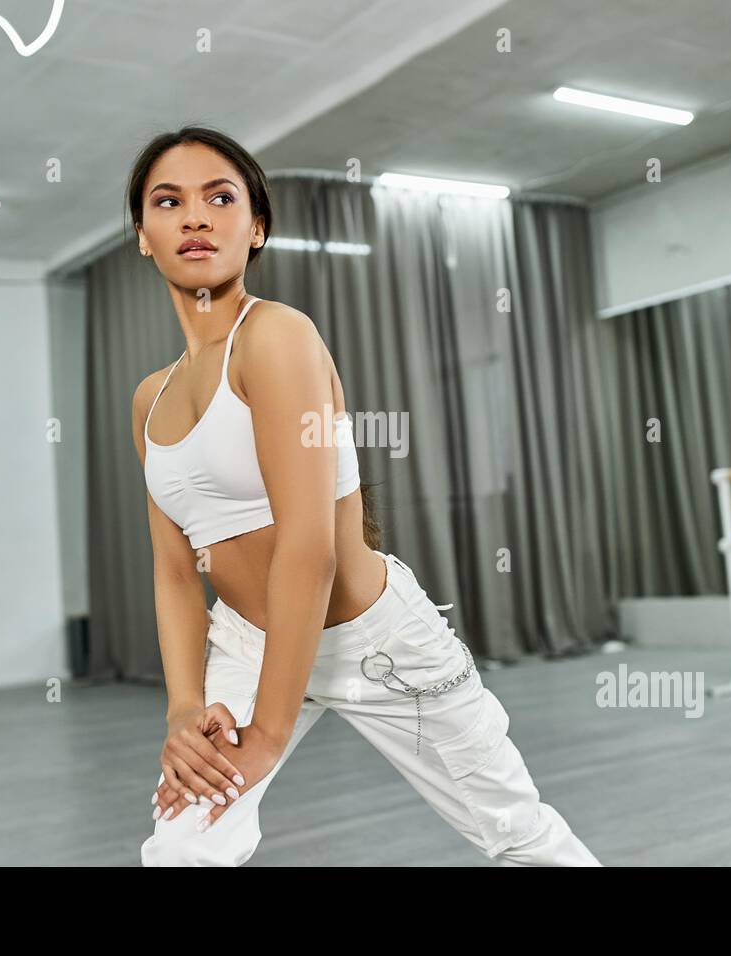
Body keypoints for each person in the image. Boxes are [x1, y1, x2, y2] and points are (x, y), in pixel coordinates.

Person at [127, 125, 600, 866]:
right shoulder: (149, 398)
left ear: (256, 229)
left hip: (372, 642)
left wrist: (270, 736)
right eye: (169, 201)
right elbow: (174, 570)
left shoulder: (278, 337)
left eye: (220, 198)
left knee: (516, 835)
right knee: (181, 845)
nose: (195, 217)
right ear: (144, 237)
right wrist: (186, 706)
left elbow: (308, 548)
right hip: (247, 645)